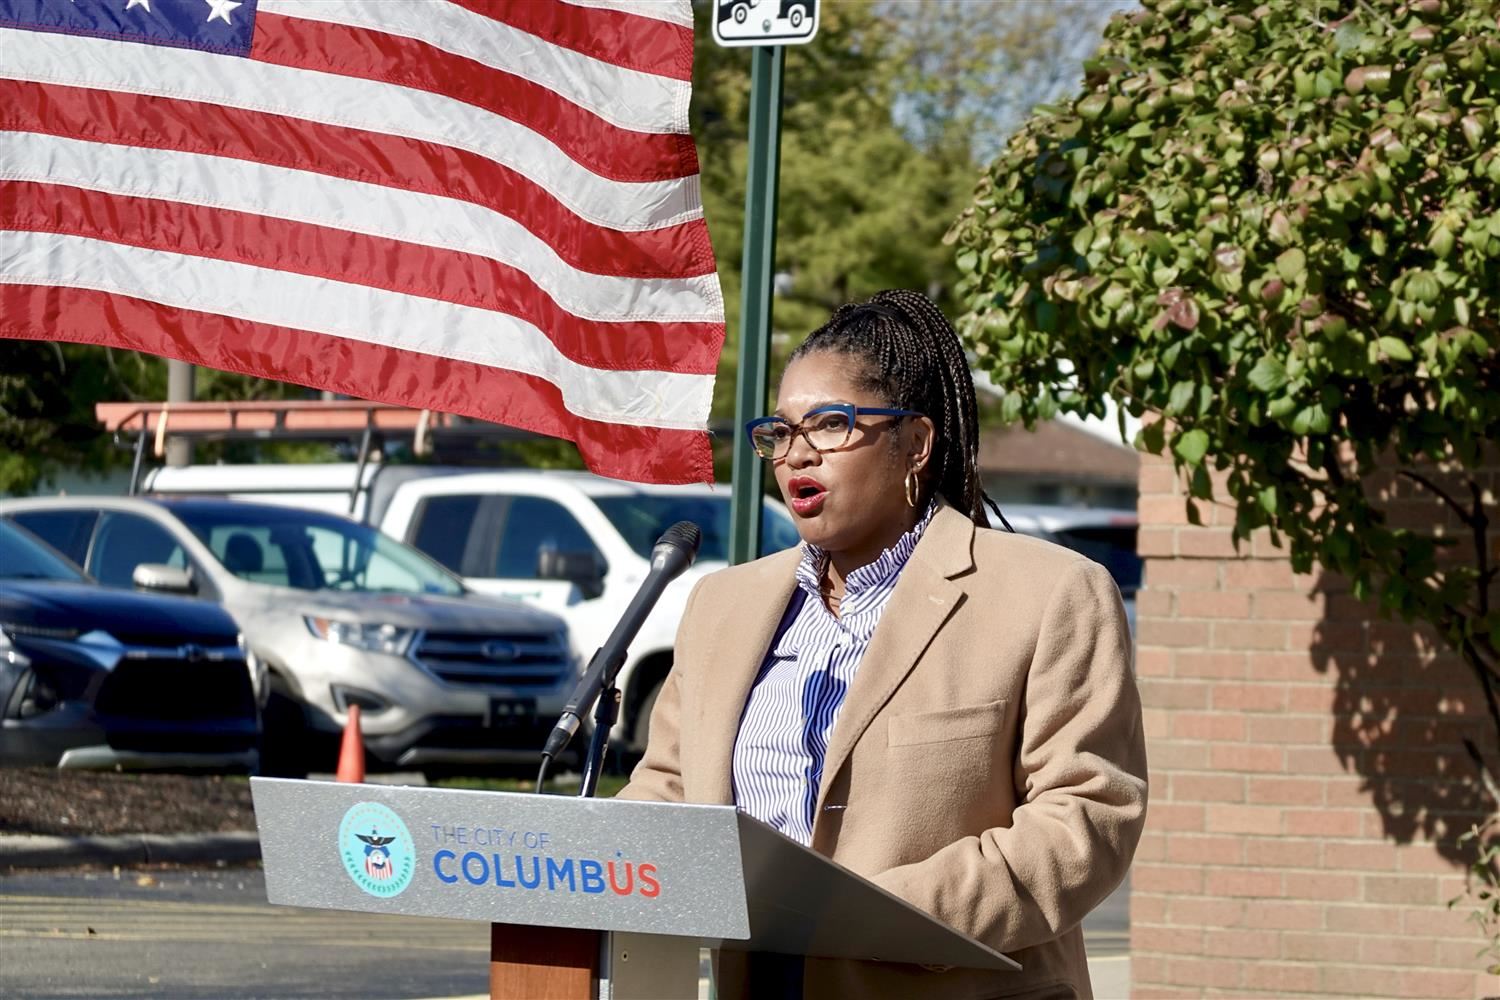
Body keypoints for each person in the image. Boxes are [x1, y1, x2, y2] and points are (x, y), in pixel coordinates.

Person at [619, 289, 1147, 1000]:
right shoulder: (723, 606)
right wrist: (592, 860)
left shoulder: (1050, 592)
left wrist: (876, 917)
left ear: (916, 443)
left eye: (830, 424)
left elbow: (1086, 818)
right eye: (779, 432)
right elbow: (668, 789)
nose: (796, 454)